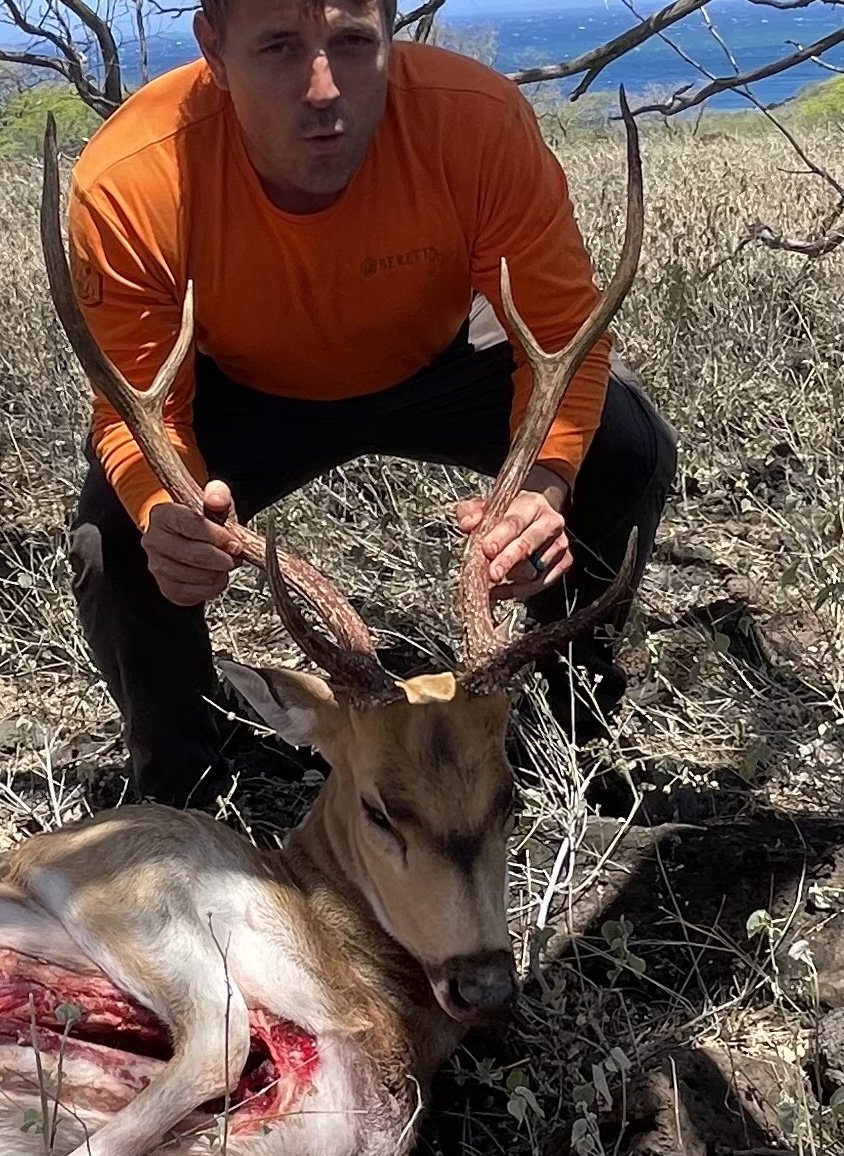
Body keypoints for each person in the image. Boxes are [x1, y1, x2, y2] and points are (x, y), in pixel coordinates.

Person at [64, 0, 678, 809]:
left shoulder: (475, 120)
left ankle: (572, 729)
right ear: (213, 47)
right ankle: (188, 785)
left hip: (444, 358)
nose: (323, 87)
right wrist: (162, 515)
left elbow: (564, 332)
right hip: (251, 390)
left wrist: (545, 486)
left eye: (353, 42)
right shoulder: (132, 179)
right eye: (279, 46)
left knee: (625, 449)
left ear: (391, 36)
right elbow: (135, 404)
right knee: (117, 542)